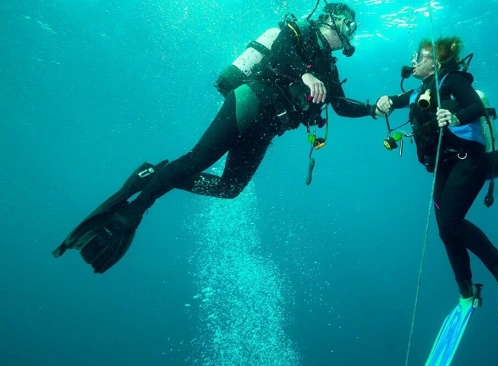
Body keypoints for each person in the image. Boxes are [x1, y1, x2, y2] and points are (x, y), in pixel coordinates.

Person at [53, 2, 379, 274]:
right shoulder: (300, 31)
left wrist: (376, 108)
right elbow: (279, 51)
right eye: (348, 23)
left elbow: (340, 105)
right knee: (197, 159)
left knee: (230, 189)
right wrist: (305, 74)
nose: (352, 31)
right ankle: (133, 212)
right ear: (330, 19)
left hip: (266, 128)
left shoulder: (329, 67)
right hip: (252, 99)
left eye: (354, 27)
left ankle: (152, 176)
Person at [373, 37, 498, 365]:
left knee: (451, 221)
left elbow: (475, 107)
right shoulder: (420, 90)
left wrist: (455, 119)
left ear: (436, 60)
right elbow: (401, 100)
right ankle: (466, 291)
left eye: (419, 56)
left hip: (468, 160)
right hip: (444, 166)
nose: (413, 60)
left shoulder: (451, 80)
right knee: (445, 229)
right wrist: (384, 101)